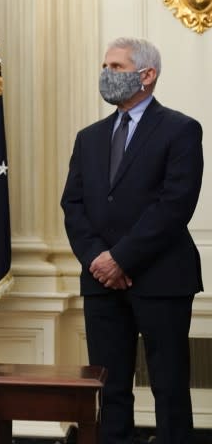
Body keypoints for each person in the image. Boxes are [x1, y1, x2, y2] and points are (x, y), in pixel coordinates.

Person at [61, 37, 203, 444]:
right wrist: (98, 260)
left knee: (169, 386)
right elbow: (73, 204)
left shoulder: (181, 129)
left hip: (161, 279)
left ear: (147, 74)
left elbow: (174, 206)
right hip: (101, 282)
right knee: (109, 389)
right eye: (104, 66)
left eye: (117, 67)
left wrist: (121, 259)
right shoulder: (89, 137)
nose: (106, 74)